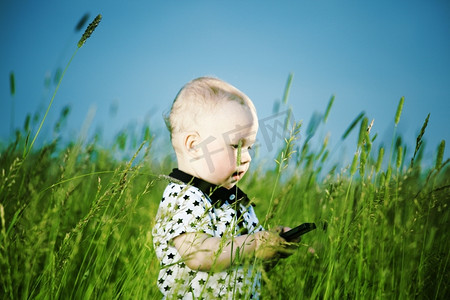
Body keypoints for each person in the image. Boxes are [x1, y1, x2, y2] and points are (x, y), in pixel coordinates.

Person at [152, 77, 298, 299]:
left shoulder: (236, 202)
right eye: (236, 145)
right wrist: (256, 243)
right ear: (194, 146)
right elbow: (199, 255)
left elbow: (246, 262)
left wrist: (273, 248)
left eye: (250, 147)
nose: (247, 157)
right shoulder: (184, 196)